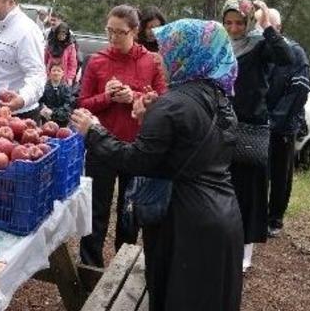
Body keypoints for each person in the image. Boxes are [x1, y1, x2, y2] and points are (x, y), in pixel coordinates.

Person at [71, 18, 243, 311]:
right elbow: (188, 146)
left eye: (167, 50)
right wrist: (148, 120)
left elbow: (136, 160)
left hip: (184, 222)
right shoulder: (219, 98)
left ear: (186, 54)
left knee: (175, 298)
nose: (161, 58)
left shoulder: (173, 103)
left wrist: (94, 131)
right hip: (224, 215)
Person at [77, 4, 168, 268]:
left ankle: (122, 265)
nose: (113, 38)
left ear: (135, 31)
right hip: (100, 144)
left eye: (120, 32)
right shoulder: (97, 60)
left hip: (136, 146)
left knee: (130, 211)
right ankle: (89, 266)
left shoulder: (151, 61)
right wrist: (107, 97)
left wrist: (134, 97)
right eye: (109, 31)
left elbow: (164, 102)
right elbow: (82, 103)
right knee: (96, 210)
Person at [221, 0, 293, 271]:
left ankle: (245, 251)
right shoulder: (221, 46)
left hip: (251, 126)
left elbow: (286, 57)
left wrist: (266, 26)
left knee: (249, 190)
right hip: (223, 124)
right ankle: (223, 242)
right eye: (228, 22)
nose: (234, 28)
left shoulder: (260, 44)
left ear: (248, 21)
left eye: (239, 22)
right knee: (224, 185)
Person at [259, 8, 310, 237]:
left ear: (277, 27)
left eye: (267, 27)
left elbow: (298, 91)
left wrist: (275, 120)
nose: (263, 32)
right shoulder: (258, 49)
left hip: (284, 125)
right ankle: (257, 214)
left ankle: (275, 218)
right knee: (259, 171)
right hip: (258, 123)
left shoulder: (295, 53)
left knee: (281, 174)